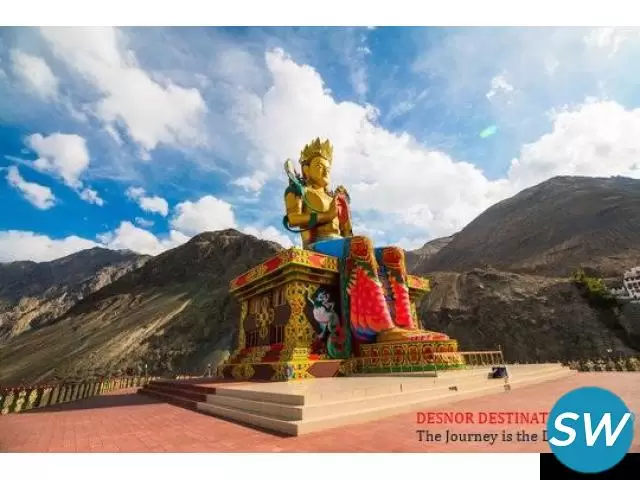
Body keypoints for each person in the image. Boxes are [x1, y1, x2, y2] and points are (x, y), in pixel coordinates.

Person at [283, 137, 449, 345]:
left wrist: (344, 215)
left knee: (394, 253)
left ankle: (404, 323)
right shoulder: (298, 191)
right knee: (361, 244)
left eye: (328, 168)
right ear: (306, 170)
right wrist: (328, 215)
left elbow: (346, 233)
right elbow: (293, 219)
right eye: (319, 166)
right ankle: (377, 325)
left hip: (340, 242)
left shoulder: (335, 197)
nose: (325, 172)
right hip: (317, 244)